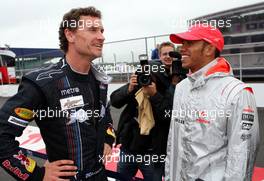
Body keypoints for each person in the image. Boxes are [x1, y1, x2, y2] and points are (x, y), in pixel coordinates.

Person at [0, 7, 115, 181]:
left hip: (99, 175)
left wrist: (107, 138)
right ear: (70, 35)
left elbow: (104, 116)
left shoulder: (100, 80)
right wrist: (37, 175)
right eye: (92, 30)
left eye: (101, 30)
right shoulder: (42, 82)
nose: (101, 36)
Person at [165, 24, 259, 181]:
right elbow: (172, 143)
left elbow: (242, 156)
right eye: (182, 43)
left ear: (209, 49)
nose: (182, 48)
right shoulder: (181, 88)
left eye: (189, 43)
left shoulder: (237, 92)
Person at [111, 42, 185, 181]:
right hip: (129, 147)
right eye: (164, 54)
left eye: (171, 54)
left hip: (153, 151)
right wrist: (129, 88)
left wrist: (154, 94)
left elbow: (168, 114)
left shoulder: (177, 80)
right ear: (159, 55)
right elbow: (114, 101)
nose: (168, 57)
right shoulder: (145, 74)